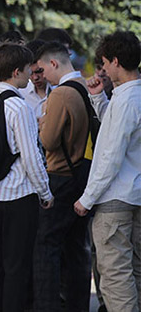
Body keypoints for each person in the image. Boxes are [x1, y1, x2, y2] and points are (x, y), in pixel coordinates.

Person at [0, 43, 53, 312]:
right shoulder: (19, 107)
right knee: (16, 266)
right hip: (18, 195)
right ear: (17, 72)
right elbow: (31, 156)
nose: (32, 74)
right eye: (28, 69)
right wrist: (45, 193)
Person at [74, 31, 141, 312]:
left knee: (115, 277)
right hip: (135, 195)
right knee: (135, 273)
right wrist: (99, 99)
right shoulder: (131, 96)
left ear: (115, 61)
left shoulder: (125, 99)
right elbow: (116, 133)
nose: (102, 70)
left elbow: (111, 155)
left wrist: (87, 198)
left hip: (115, 198)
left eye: (104, 63)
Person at [32, 41, 92, 312]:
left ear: (53, 63)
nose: (42, 75)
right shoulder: (84, 87)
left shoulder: (60, 95)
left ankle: (47, 306)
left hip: (59, 175)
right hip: (81, 174)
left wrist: (43, 120)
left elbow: (48, 140)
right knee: (77, 246)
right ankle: (78, 305)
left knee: (46, 246)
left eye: (42, 69)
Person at [22, 40, 48, 119]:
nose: (35, 78)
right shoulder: (21, 93)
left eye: (39, 71)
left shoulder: (60, 90)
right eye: (30, 73)